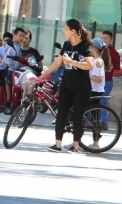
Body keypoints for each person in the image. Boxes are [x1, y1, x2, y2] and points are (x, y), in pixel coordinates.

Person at [38, 18, 94, 153]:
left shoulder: (85, 46)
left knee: (77, 116)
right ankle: (57, 144)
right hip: (66, 85)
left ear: (73, 31)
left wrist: (72, 62)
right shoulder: (66, 45)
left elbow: (89, 65)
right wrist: (43, 75)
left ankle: (75, 146)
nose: (64, 32)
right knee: (61, 114)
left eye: (66, 29)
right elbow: (57, 63)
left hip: (81, 87)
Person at [3, 27, 26, 111]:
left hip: (17, 70)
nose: (22, 38)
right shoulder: (11, 47)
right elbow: (8, 60)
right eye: (20, 35)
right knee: (10, 82)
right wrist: (15, 64)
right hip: (12, 70)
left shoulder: (16, 46)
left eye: (23, 36)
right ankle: (9, 100)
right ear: (14, 35)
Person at [100, 31, 121, 110]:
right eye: (102, 38)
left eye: (106, 38)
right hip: (96, 80)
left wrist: (107, 64)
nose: (103, 40)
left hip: (107, 81)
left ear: (111, 40)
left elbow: (117, 67)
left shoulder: (114, 53)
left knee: (103, 102)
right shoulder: (98, 50)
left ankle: (104, 118)